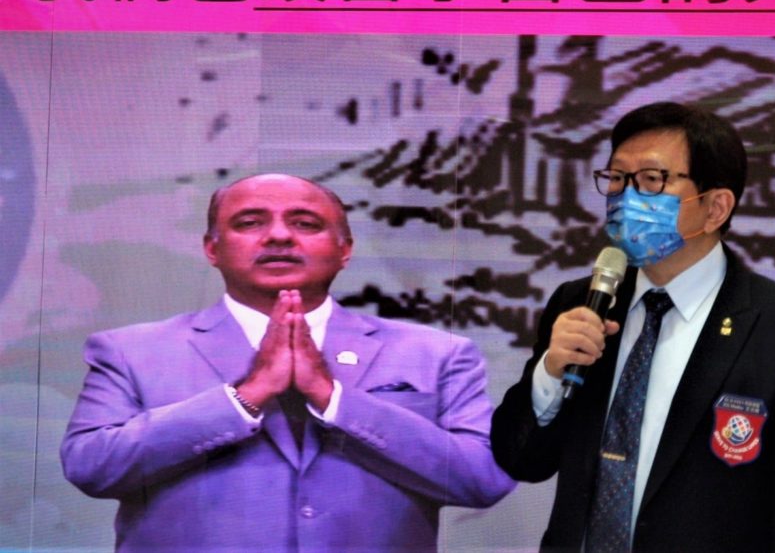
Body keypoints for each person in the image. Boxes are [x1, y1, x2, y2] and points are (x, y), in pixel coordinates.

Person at [61, 173, 515, 552]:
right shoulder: (129, 351)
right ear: (212, 249)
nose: (279, 236)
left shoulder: (436, 354)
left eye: (305, 223)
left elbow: (484, 479)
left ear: (345, 249)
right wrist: (246, 396)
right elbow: (92, 467)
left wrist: (333, 398)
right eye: (249, 222)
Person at [491, 102, 775, 552]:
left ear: (716, 207)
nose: (627, 198)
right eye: (617, 178)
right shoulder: (582, 304)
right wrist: (550, 373)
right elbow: (520, 459)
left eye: (652, 180)